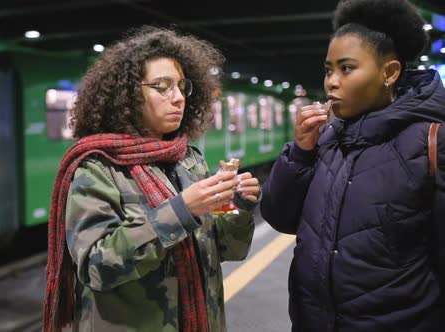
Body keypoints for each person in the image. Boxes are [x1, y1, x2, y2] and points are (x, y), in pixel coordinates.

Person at [42, 26, 260, 332]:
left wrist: (238, 206)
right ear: (129, 95)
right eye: (163, 87)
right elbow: (96, 267)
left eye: (182, 87)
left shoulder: (189, 159)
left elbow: (228, 249)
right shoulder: (98, 168)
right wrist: (181, 211)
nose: (178, 98)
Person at [260, 0, 445, 331]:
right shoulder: (327, 137)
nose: (332, 82)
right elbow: (280, 216)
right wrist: (301, 151)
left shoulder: (432, 143)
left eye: (346, 69)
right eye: (329, 69)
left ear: (389, 73)